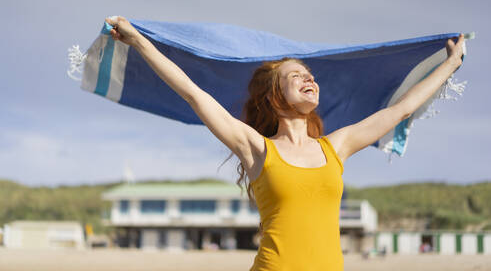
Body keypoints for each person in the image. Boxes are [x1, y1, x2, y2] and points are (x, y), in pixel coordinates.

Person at [105, 16, 464, 270]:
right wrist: (138, 41)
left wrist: (449, 65)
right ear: (276, 94)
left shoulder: (335, 146)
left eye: (310, 75)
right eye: (296, 76)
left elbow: (402, 109)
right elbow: (193, 94)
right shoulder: (257, 148)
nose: (309, 79)